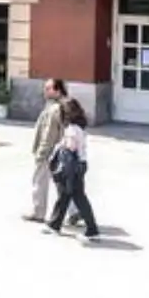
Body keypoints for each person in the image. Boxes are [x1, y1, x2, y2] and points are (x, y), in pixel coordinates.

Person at [44, 98, 101, 242]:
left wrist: (61, 145)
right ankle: (54, 224)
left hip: (72, 167)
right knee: (65, 196)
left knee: (77, 198)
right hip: (78, 165)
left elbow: (71, 147)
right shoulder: (79, 127)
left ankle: (92, 230)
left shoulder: (72, 129)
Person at [25, 78, 66, 223]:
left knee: (40, 181)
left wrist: (41, 153)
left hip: (50, 152)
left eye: (49, 89)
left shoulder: (55, 109)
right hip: (60, 151)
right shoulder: (61, 105)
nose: (45, 91)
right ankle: (75, 211)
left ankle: (38, 212)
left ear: (57, 91)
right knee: (63, 183)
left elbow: (49, 134)